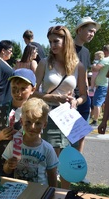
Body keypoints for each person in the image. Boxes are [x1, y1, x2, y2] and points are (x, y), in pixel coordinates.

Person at [33, 26, 87, 189]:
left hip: (71, 117)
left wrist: (75, 102)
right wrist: (55, 97)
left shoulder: (79, 66)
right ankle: (52, 192)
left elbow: (83, 95)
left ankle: (64, 193)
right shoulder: (44, 63)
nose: (52, 45)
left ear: (66, 41)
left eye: (56, 41)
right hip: (51, 115)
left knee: (69, 160)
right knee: (54, 161)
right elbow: (33, 93)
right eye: (50, 42)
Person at [0, 68, 36, 176]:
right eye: (14, 88)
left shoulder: (34, 113)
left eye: (23, 89)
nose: (18, 93)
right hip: (0, 164)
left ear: (33, 89)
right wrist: (0, 136)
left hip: (25, 166)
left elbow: (38, 141)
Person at [2, 97, 58, 187]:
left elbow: (52, 175)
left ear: (45, 124)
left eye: (38, 123)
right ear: (21, 121)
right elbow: (6, 170)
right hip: (18, 189)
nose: (32, 127)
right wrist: (9, 165)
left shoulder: (47, 149)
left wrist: (53, 193)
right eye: (28, 122)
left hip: (39, 191)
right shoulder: (14, 144)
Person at [73, 17, 101, 158]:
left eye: (94, 32)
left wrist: (88, 95)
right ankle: (60, 169)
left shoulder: (86, 52)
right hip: (69, 98)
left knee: (81, 134)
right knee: (67, 136)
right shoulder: (66, 48)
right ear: (79, 30)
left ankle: (77, 165)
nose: (92, 34)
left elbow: (84, 75)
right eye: (90, 31)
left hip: (83, 98)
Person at [90, 45, 109, 126]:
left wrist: (93, 65)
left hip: (102, 85)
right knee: (100, 103)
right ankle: (94, 118)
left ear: (105, 51)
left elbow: (94, 69)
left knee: (97, 103)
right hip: (104, 85)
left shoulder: (105, 60)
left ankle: (95, 121)